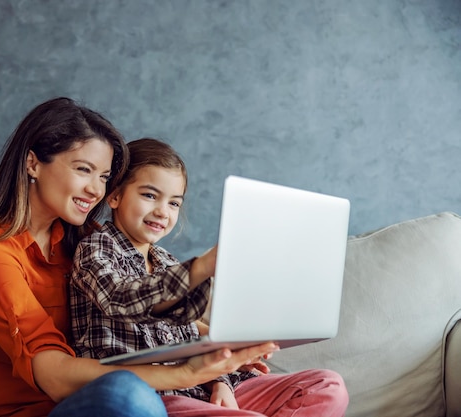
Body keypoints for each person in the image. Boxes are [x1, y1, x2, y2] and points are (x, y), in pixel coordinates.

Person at [0, 97, 281, 417]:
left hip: (137, 397)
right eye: (83, 169)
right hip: (54, 409)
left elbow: (148, 312)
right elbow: (55, 379)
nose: (96, 190)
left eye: (103, 177)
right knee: (127, 392)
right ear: (33, 163)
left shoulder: (86, 238)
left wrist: (223, 345)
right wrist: (184, 372)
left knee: (316, 385)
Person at [70, 137, 350, 416]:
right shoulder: (96, 248)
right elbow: (121, 299)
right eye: (150, 195)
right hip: (154, 396)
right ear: (115, 195)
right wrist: (202, 266)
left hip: (201, 387)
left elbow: (190, 338)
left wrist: (222, 380)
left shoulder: (167, 262)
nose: (162, 212)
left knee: (327, 386)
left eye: (174, 204)